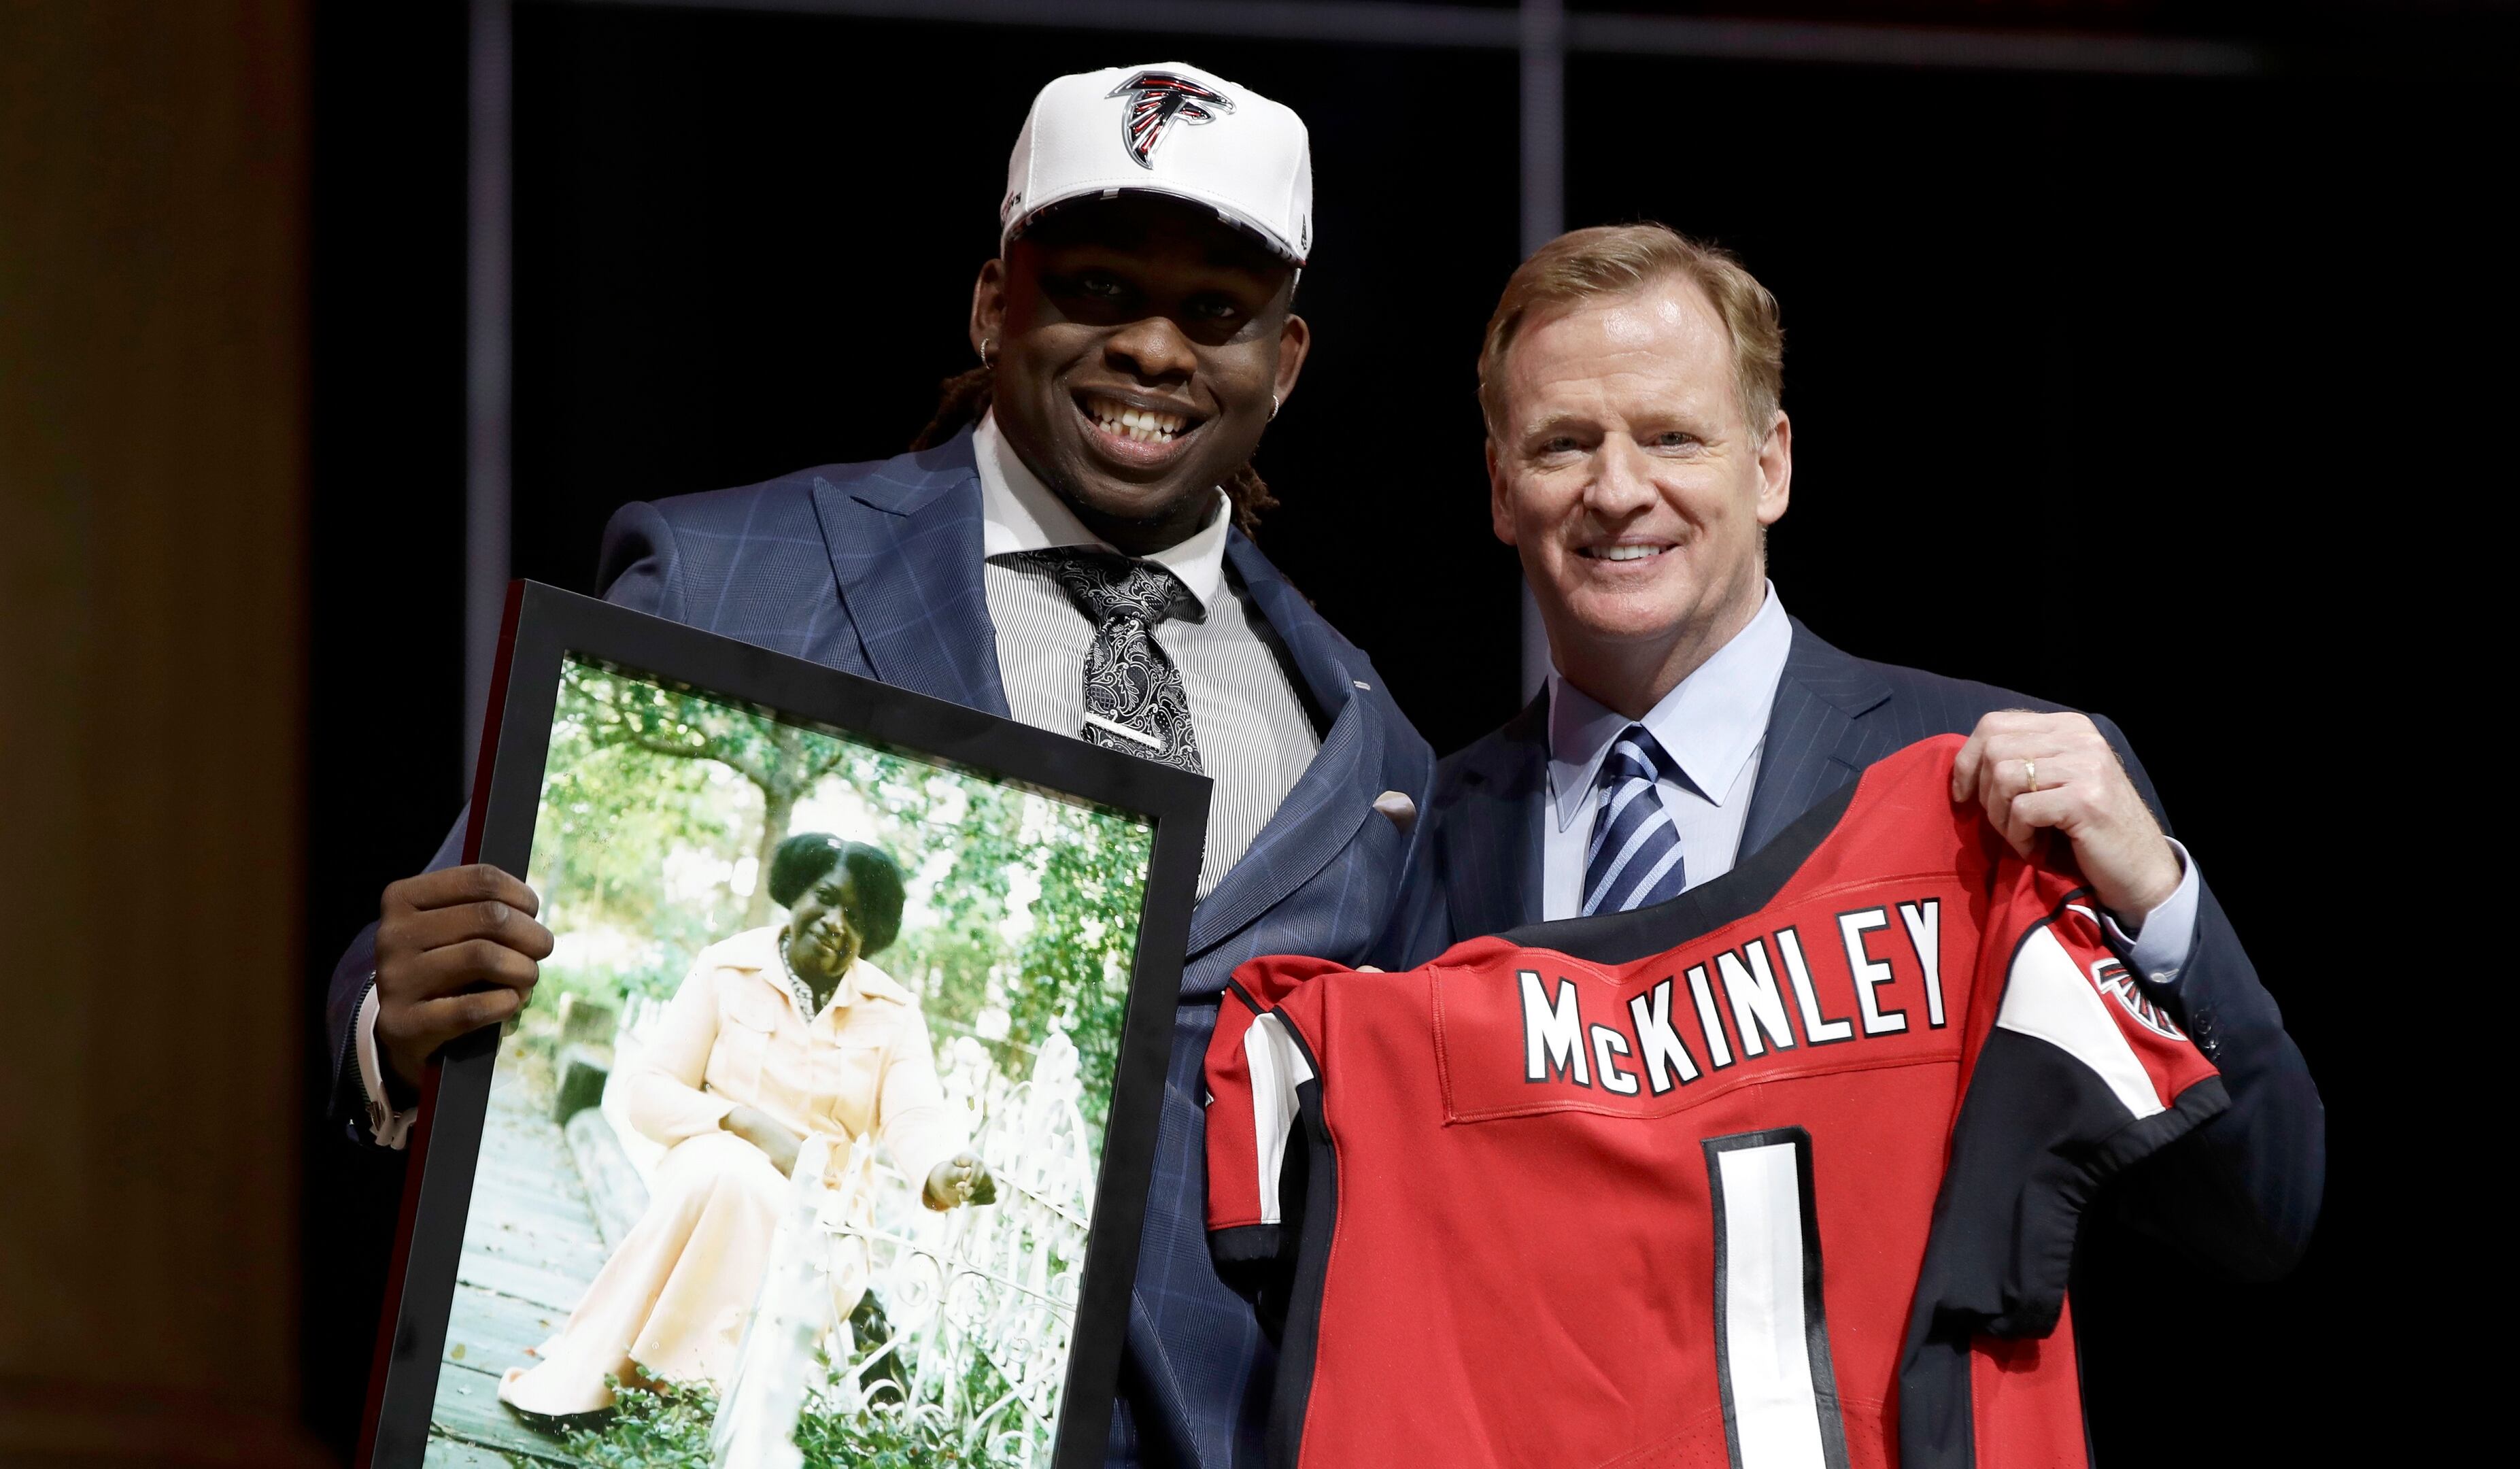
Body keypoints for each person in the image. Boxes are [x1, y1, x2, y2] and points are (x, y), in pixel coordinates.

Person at [321, 61, 1434, 1468]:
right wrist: (398, 1018)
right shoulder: (731, 576)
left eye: (1214, 313)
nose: (1156, 349)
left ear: (1285, 362)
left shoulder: (1368, 751)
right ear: (993, 302)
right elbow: (423, 948)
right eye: (1095, 285)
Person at [1414, 223, 2322, 1279]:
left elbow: (2261, 1209)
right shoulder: (1419, 838)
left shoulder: (1986, 794)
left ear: (1769, 466)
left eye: (1671, 438)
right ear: (1497, 487)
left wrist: (2160, 911)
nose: (1617, 490)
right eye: (1564, 443)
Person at [498, 832, 993, 1417]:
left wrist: (938, 1170)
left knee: (753, 1199)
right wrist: (746, 1123)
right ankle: (676, 1393)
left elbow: (914, 1113)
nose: (836, 922)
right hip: (713, 1164)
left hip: (824, 1209)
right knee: (732, 1179)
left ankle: (675, 1396)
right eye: (826, 899)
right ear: (795, 892)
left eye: (855, 917)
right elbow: (647, 1093)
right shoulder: (726, 968)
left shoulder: (894, 1013)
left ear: (870, 935)